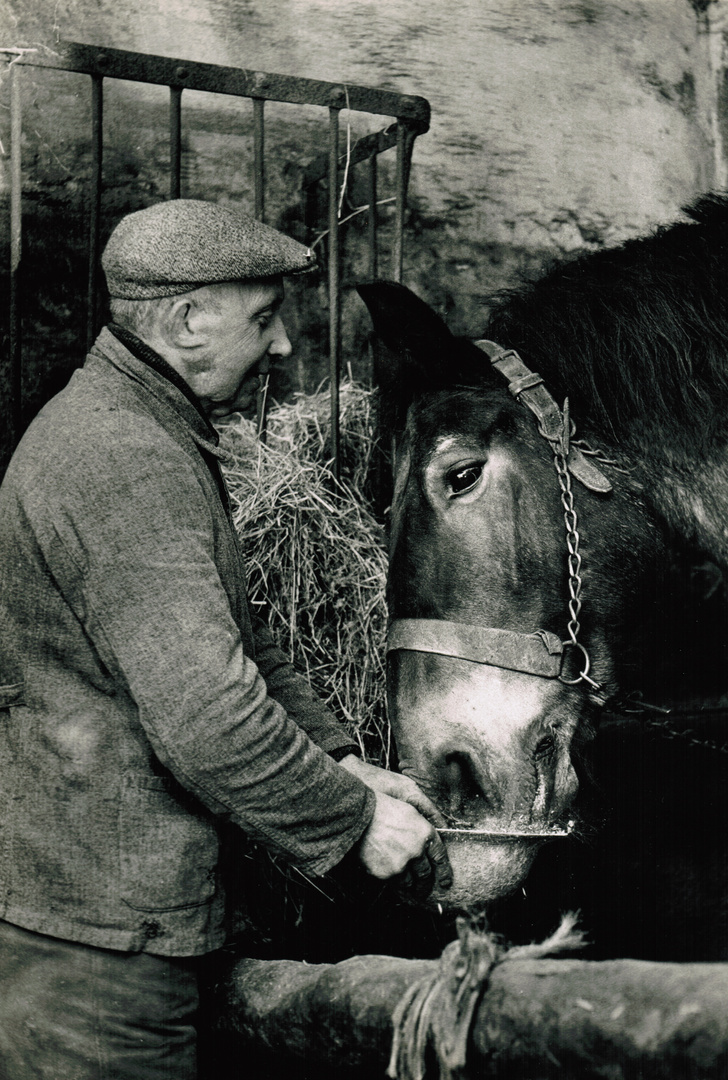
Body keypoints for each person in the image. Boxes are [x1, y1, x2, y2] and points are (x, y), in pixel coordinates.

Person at [0, 199, 451, 1080]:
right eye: (266, 316)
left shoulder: (150, 431)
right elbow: (209, 713)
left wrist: (339, 758)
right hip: (99, 951)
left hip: (123, 920)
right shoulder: (119, 457)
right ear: (188, 319)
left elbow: (238, 642)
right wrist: (351, 820)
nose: (283, 347)